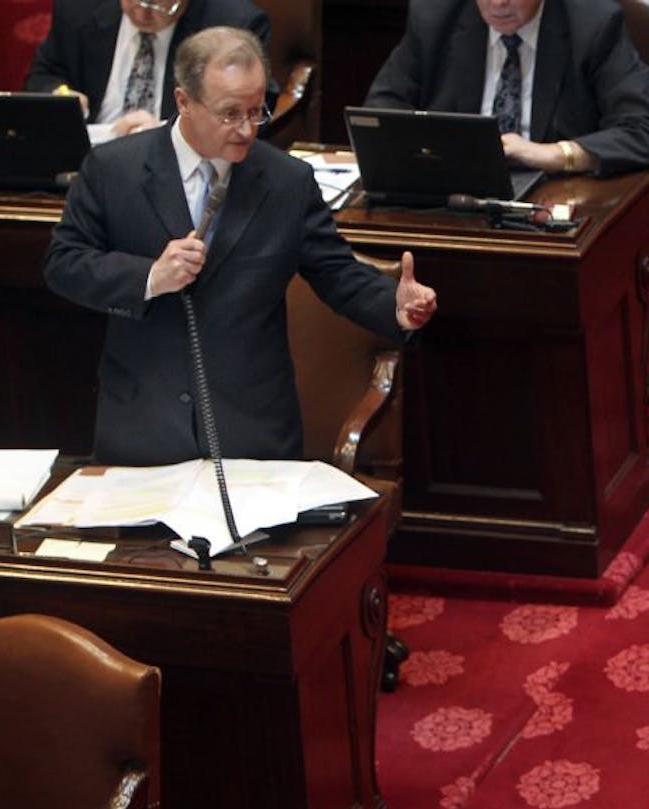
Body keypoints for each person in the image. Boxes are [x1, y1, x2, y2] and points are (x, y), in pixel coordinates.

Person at [44, 26, 438, 467]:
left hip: (252, 433)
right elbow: (65, 264)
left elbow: (336, 272)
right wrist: (150, 277)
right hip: (143, 429)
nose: (247, 129)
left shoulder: (287, 182)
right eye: (230, 113)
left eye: (256, 111)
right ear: (183, 102)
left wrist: (394, 305)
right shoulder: (113, 169)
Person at [363, 0, 649, 186]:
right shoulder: (435, 17)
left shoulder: (593, 23)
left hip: (556, 193)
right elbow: (380, 111)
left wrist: (554, 154)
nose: (498, 4)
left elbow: (646, 131)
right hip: (456, 197)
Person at [25, 0, 274, 140]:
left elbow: (251, 112)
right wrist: (60, 95)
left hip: (176, 164)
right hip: (86, 155)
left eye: (158, 5)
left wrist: (171, 130)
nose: (143, 11)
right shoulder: (78, 8)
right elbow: (43, 74)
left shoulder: (233, 25)